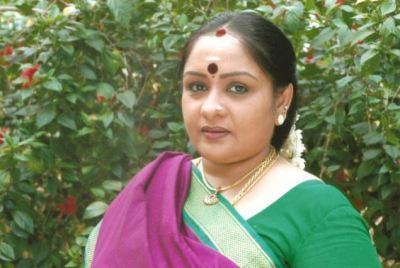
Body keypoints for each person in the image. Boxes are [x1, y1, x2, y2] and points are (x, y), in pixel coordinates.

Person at [85, 12, 381, 267]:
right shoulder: (153, 193)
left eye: (238, 88)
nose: (211, 107)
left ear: (282, 100)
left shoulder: (319, 214)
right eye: (197, 86)